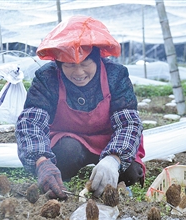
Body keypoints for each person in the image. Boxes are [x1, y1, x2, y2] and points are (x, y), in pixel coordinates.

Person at [15, 15, 145, 200]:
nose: (78, 72)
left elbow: (128, 124)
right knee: (66, 154)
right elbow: (31, 122)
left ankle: (110, 165)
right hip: (69, 140)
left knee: (130, 172)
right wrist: (41, 162)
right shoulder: (47, 78)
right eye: (69, 65)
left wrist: (114, 159)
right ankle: (62, 178)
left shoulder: (116, 76)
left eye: (85, 64)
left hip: (110, 140)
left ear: (97, 60)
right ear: (58, 64)